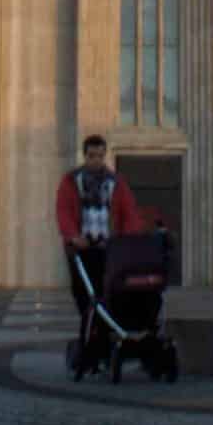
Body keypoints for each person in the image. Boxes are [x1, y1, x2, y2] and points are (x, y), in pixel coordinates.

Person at [54, 134, 143, 318]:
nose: (96, 160)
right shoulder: (71, 180)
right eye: (92, 155)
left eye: (100, 156)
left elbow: (129, 212)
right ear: (84, 155)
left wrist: (127, 240)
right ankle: (88, 325)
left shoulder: (116, 182)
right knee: (81, 291)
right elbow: (63, 210)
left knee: (107, 290)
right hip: (80, 247)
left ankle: (103, 325)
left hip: (108, 248)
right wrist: (73, 236)